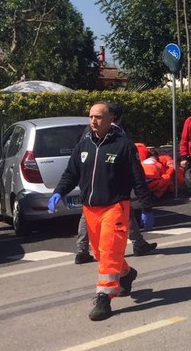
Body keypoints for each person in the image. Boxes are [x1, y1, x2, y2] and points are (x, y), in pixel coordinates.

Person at [50, 101, 156, 321]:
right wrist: (58, 192)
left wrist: (146, 207)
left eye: (98, 117)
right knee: (100, 253)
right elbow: (71, 173)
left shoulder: (124, 146)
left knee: (108, 251)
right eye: (90, 117)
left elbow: (138, 178)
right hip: (91, 209)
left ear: (110, 120)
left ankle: (104, 297)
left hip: (115, 207)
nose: (93, 121)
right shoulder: (83, 145)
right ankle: (126, 273)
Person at [73, 103, 157, 263]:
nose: (93, 121)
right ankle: (138, 243)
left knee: (86, 216)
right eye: (91, 117)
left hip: (90, 186)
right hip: (111, 187)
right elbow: (134, 171)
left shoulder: (88, 131)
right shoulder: (116, 134)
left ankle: (81, 250)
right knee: (125, 213)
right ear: (118, 118)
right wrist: (146, 204)